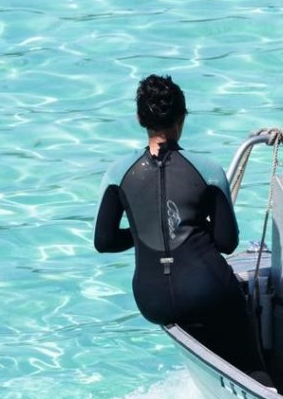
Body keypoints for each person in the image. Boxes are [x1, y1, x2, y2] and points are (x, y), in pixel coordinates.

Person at [94, 74, 269, 382]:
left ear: (140, 119)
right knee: (250, 362)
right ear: (182, 117)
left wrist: (145, 231)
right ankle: (261, 383)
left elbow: (104, 241)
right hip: (206, 292)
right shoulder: (207, 169)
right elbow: (227, 242)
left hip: (152, 299)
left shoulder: (118, 172)